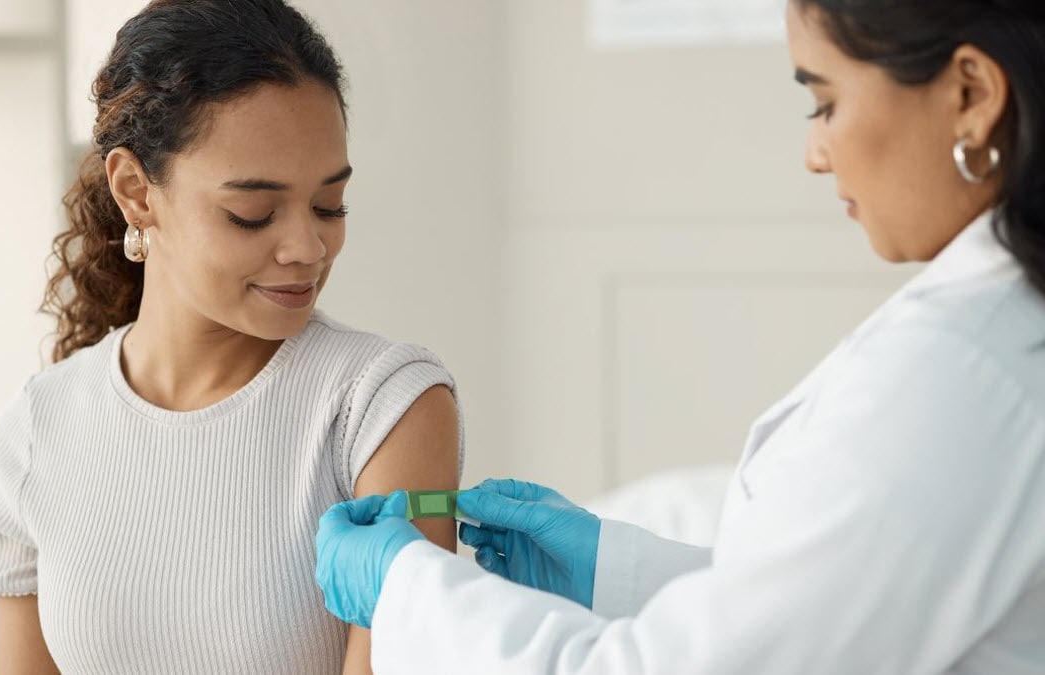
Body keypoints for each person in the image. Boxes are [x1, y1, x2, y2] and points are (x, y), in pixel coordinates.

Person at [315, 1, 1045, 672]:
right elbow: (831, 614)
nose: (815, 154)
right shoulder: (990, 339)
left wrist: (406, 589)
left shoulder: (964, 371)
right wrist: (612, 571)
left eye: (824, 103)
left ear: (972, 95)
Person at [0, 1, 462, 673]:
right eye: (252, 213)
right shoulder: (37, 429)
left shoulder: (382, 408)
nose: (308, 246)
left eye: (329, 204)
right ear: (136, 191)